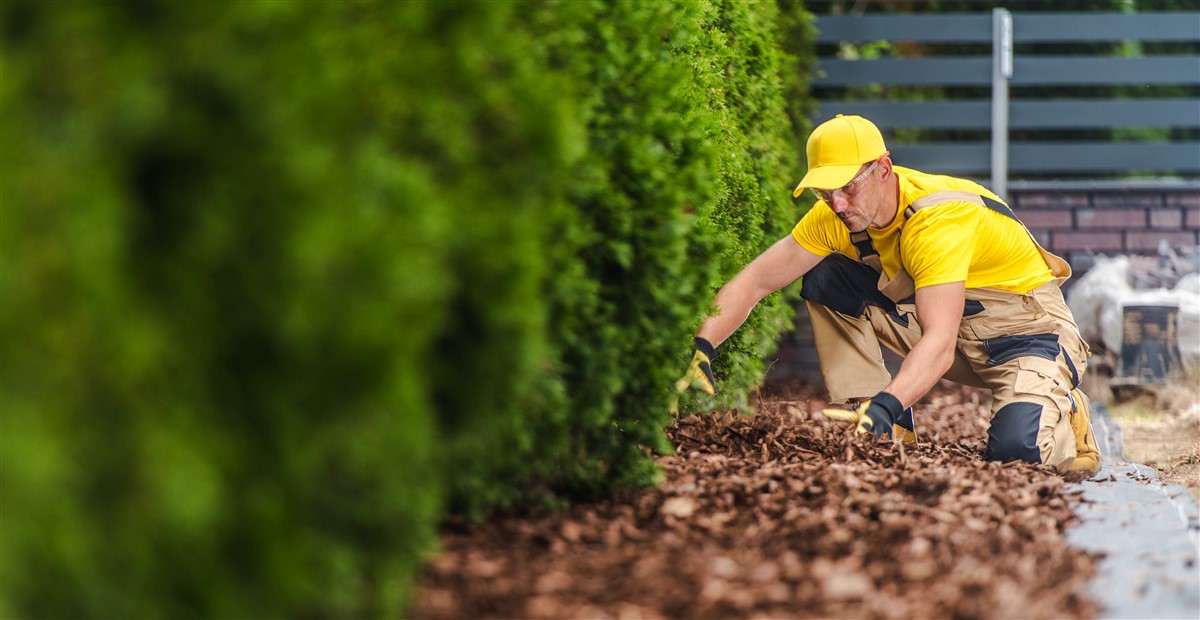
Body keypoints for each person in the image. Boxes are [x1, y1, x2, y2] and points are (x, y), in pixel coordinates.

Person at [676, 114, 1101, 475]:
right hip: (956, 336)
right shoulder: (834, 217)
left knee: (1016, 457)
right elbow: (756, 281)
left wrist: (890, 402)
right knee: (826, 275)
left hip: (1029, 339)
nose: (837, 204)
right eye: (825, 192)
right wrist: (702, 345)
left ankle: (1067, 413)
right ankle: (876, 422)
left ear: (882, 168)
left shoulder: (937, 220)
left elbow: (938, 342)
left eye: (847, 188)